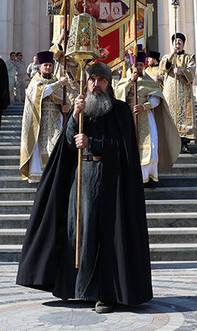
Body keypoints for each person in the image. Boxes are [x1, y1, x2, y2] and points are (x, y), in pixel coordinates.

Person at [16, 61, 152, 313]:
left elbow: (124, 150)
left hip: (110, 181)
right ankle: (78, 289)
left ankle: (105, 293)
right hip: (81, 178)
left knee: (103, 235)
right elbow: (68, 143)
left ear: (108, 83)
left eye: (100, 80)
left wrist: (93, 142)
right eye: (91, 80)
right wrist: (75, 116)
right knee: (77, 232)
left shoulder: (120, 111)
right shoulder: (83, 110)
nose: (95, 85)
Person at [114, 50, 180, 185]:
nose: (138, 67)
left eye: (140, 65)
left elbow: (156, 99)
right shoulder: (125, 80)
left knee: (151, 146)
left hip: (146, 117)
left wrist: (144, 106)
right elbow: (118, 95)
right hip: (128, 117)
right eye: (136, 65)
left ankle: (148, 177)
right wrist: (129, 82)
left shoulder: (149, 81)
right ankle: (131, 176)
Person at [20, 51, 74, 183]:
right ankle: (40, 176)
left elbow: (64, 98)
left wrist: (65, 106)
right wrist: (59, 84)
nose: (48, 68)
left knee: (55, 145)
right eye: (46, 65)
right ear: (40, 66)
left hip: (56, 118)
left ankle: (55, 174)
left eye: (50, 65)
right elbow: (42, 93)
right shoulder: (36, 81)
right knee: (40, 147)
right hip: (40, 119)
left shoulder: (56, 79)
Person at [158, 33, 197, 152]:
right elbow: (164, 68)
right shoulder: (167, 56)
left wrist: (181, 71)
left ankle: (183, 143)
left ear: (183, 43)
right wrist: (173, 55)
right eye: (176, 41)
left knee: (183, 117)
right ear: (172, 44)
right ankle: (170, 143)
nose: (178, 43)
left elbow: (192, 72)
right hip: (170, 92)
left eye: (180, 41)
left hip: (183, 91)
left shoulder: (189, 57)